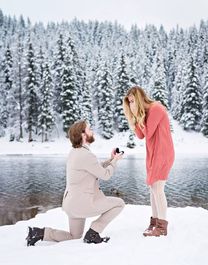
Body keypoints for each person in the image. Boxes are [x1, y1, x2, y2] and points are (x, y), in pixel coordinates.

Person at [26, 120, 125, 246]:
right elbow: (105, 175)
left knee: (74, 236)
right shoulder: (86, 155)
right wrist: (115, 161)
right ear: (83, 135)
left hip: (72, 204)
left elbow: (95, 168)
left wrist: (111, 159)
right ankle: (94, 232)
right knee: (119, 203)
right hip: (82, 204)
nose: (92, 131)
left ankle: (40, 233)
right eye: (89, 129)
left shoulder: (75, 152)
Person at [123, 86, 174, 237]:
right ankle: (155, 222)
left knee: (158, 189)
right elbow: (140, 135)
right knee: (153, 188)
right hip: (153, 154)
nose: (131, 104)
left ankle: (162, 227)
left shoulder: (156, 108)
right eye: (129, 102)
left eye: (132, 101)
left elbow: (148, 132)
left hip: (163, 153)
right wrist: (132, 119)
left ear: (139, 98)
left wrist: (137, 116)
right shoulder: (145, 113)